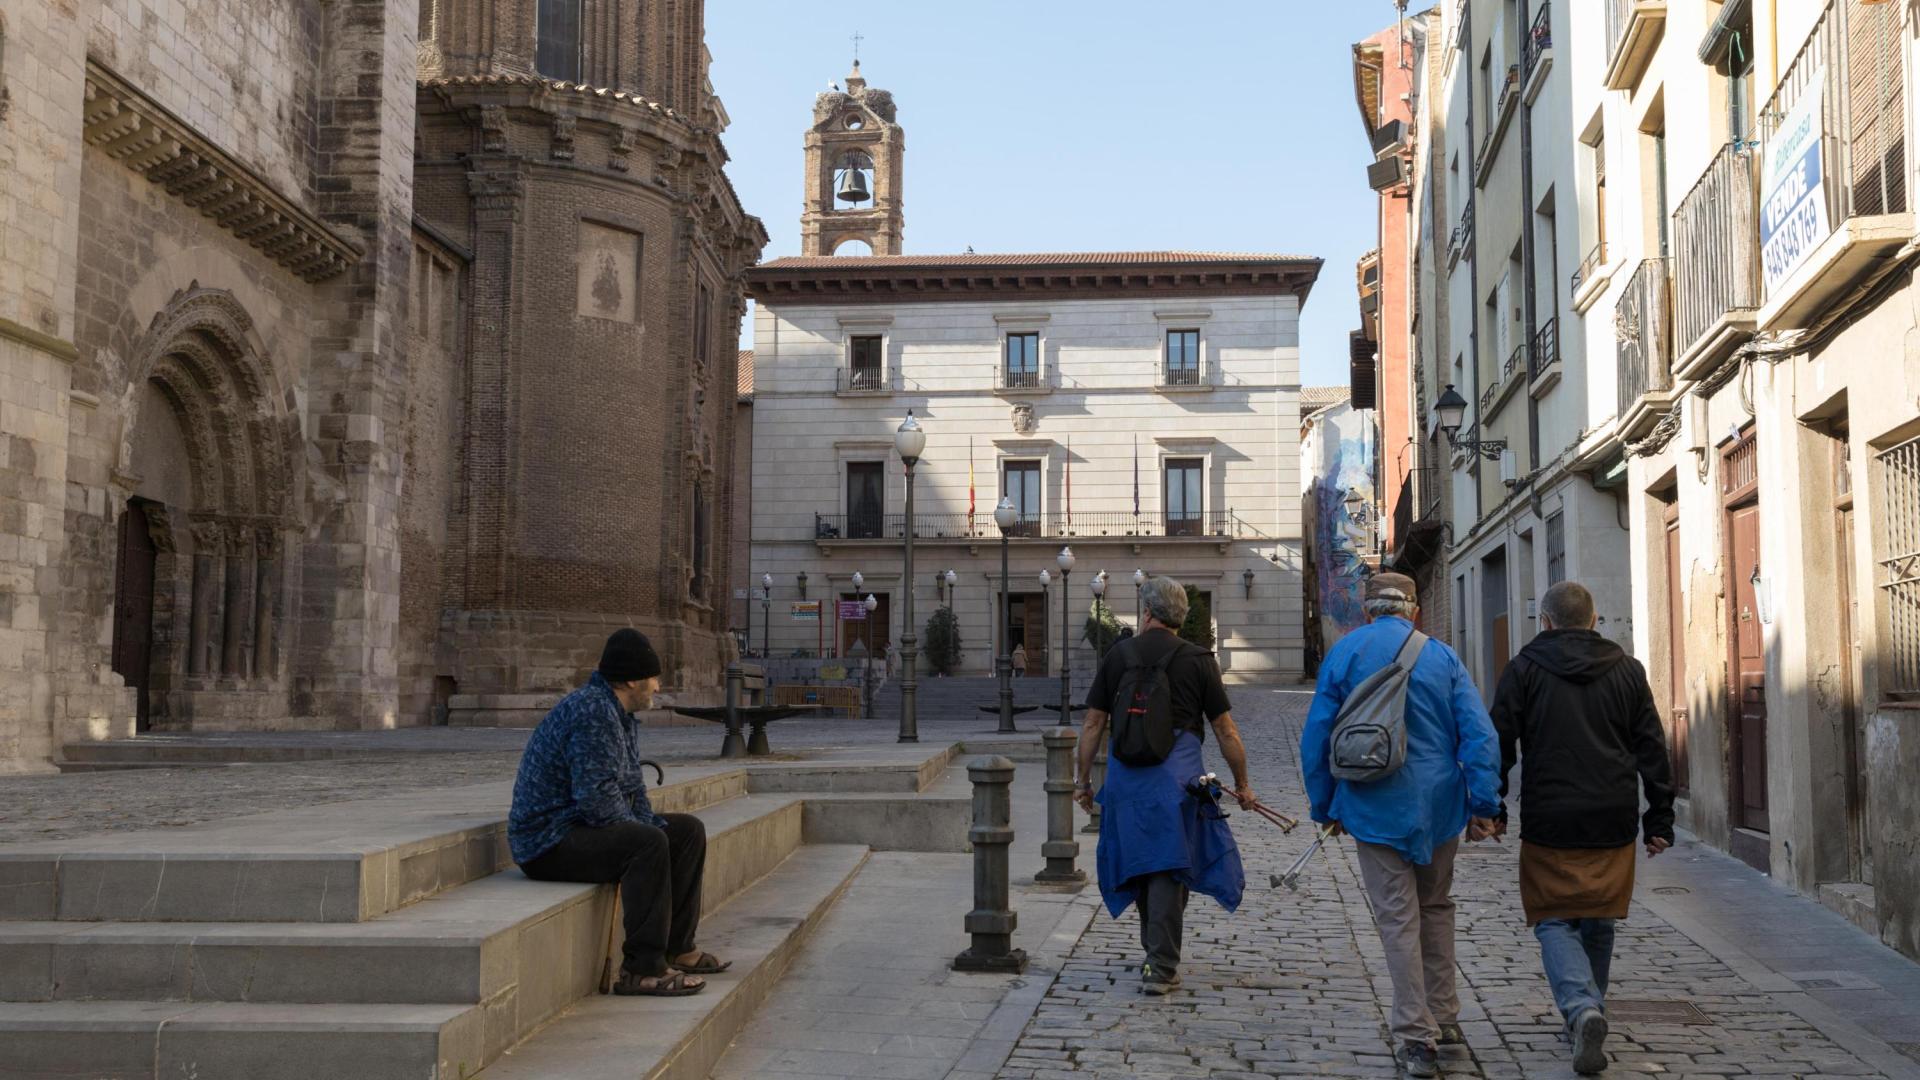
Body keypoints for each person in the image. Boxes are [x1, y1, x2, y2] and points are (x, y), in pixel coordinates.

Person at [1300, 572, 1501, 1079]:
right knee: (1436, 907)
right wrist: (1484, 803)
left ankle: (1416, 1036)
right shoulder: (1441, 656)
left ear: (1367, 611)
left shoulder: (1345, 654)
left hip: (1374, 805)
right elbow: (1478, 733)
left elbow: (1317, 737)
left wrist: (1325, 805)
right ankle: (1446, 1015)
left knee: (1397, 917)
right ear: (1413, 612)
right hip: (1439, 806)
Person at [1490, 581, 1675, 1075]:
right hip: (1612, 816)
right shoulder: (1628, 671)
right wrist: (1659, 817)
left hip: (1551, 816)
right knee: (1599, 917)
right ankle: (1588, 1008)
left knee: (1553, 917)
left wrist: (1492, 807)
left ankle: (1580, 1008)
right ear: (1594, 621)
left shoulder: (1524, 668)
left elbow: (1499, 742)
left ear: (1545, 622)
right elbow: (1652, 748)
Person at [509, 629, 729, 996]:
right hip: (547, 842)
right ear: (631, 680)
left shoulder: (619, 712)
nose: (658, 687)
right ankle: (642, 969)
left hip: (578, 827)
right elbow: (596, 801)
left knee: (686, 831)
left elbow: (632, 788)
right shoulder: (593, 711)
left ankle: (679, 947)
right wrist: (645, 832)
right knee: (646, 843)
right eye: (654, 678)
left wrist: (650, 823)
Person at [1075, 575, 1252, 995]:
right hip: (1178, 779)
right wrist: (1243, 784)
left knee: (1142, 862)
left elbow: (1093, 723)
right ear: (1180, 617)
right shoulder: (1198, 660)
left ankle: (1156, 955)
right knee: (1170, 867)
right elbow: (1226, 731)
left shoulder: (1119, 656)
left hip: (1126, 778)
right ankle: (1161, 963)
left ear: (1147, 612)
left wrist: (1082, 780)